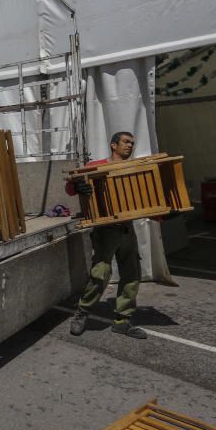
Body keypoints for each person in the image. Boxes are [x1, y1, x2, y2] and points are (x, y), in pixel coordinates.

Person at [65, 131, 148, 339]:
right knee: (100, 274)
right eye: (126, 142)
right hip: (105, 230)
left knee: (131, 275)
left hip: (127, 229)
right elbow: (70, 185)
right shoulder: (97, 165)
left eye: (132, 143)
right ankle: (82, 314)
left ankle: (122, 320)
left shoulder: (132, 168)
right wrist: (78, 186)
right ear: (113, 145)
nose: (130, 146)